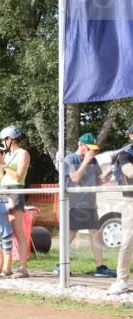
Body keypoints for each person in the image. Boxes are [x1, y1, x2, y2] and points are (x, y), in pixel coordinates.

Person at [62, 133, 115, 277]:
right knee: (71, 235)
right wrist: (85, 162)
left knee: (95, 234)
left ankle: (100, 267)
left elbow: (97, 180)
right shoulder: (70, 159)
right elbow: (75, 178)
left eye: (93, 148)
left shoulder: (93, 160)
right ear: (80, 145)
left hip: (90, 204)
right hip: (75, 204)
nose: (92, 151)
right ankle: (61, 265)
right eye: (89, 148)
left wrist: (106, 177)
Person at [0, 125, 31, 277]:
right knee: (1, 230)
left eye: (3, 140)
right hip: (2, 189)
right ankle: (4, 268)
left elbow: (19, 176)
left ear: (10, 139)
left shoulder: (23, 153)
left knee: (17, 230)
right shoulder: (6, 155)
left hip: (15, 190)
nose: (2, 143)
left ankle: (23, 268)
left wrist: (3, 164)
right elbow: (2, 177)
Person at [105, 125, 133, 295]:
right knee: (128, 240)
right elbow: (129, 172)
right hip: (131, 201)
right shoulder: (126, 153)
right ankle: (121, 280)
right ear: (131, 136)